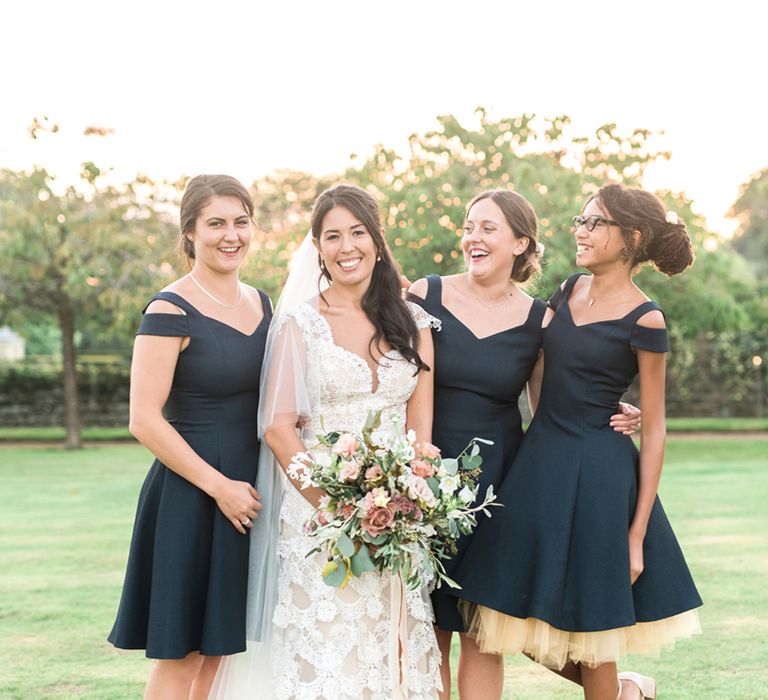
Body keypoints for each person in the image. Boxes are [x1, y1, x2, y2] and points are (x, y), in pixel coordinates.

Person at [451, 184, 703, 700]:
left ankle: (621, 690)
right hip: (539, 468)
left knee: (593, 632)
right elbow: (517, 338)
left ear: (630, 238)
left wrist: (635, 537)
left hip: (600, 479)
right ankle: (632, 691)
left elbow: (654, 429)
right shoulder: (565, 291)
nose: (581, 232)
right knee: (500, 606)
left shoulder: (646, 319)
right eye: (580, 221)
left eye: (595, 223)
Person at [408, 189, 643, 700]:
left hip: (498, 484)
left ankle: (620, 686)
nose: (473, 237)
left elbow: (556, 404)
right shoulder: (424, 294)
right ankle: (625, 689)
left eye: (488, 228)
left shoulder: (541, 319)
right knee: (426, 629)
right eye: (469, 226)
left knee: (482, 634)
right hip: (421, 474)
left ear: (520, 243)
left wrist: (619, 412)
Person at [211, 184, 442, 700]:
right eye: (332, 236)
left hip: (398, 519)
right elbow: (277, 427)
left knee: (392, 650)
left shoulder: (415, 323)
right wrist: (339, 515)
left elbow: (420, 436)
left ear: (378, 240)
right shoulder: (300, 322)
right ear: (317, 246)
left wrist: (407, 504)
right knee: (328, 652)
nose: (346, 246)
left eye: (357, 232)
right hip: (318, 518)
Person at [108, 174, 271, 700]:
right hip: (191, 493)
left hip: (248, 494)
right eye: (216, 223)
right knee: (183, 657)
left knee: (221, 651)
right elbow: (144, 419)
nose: (231, 235)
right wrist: (218, 486)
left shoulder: (264, 305)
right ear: (190, 233)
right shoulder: (169, 309)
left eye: (241, 222)